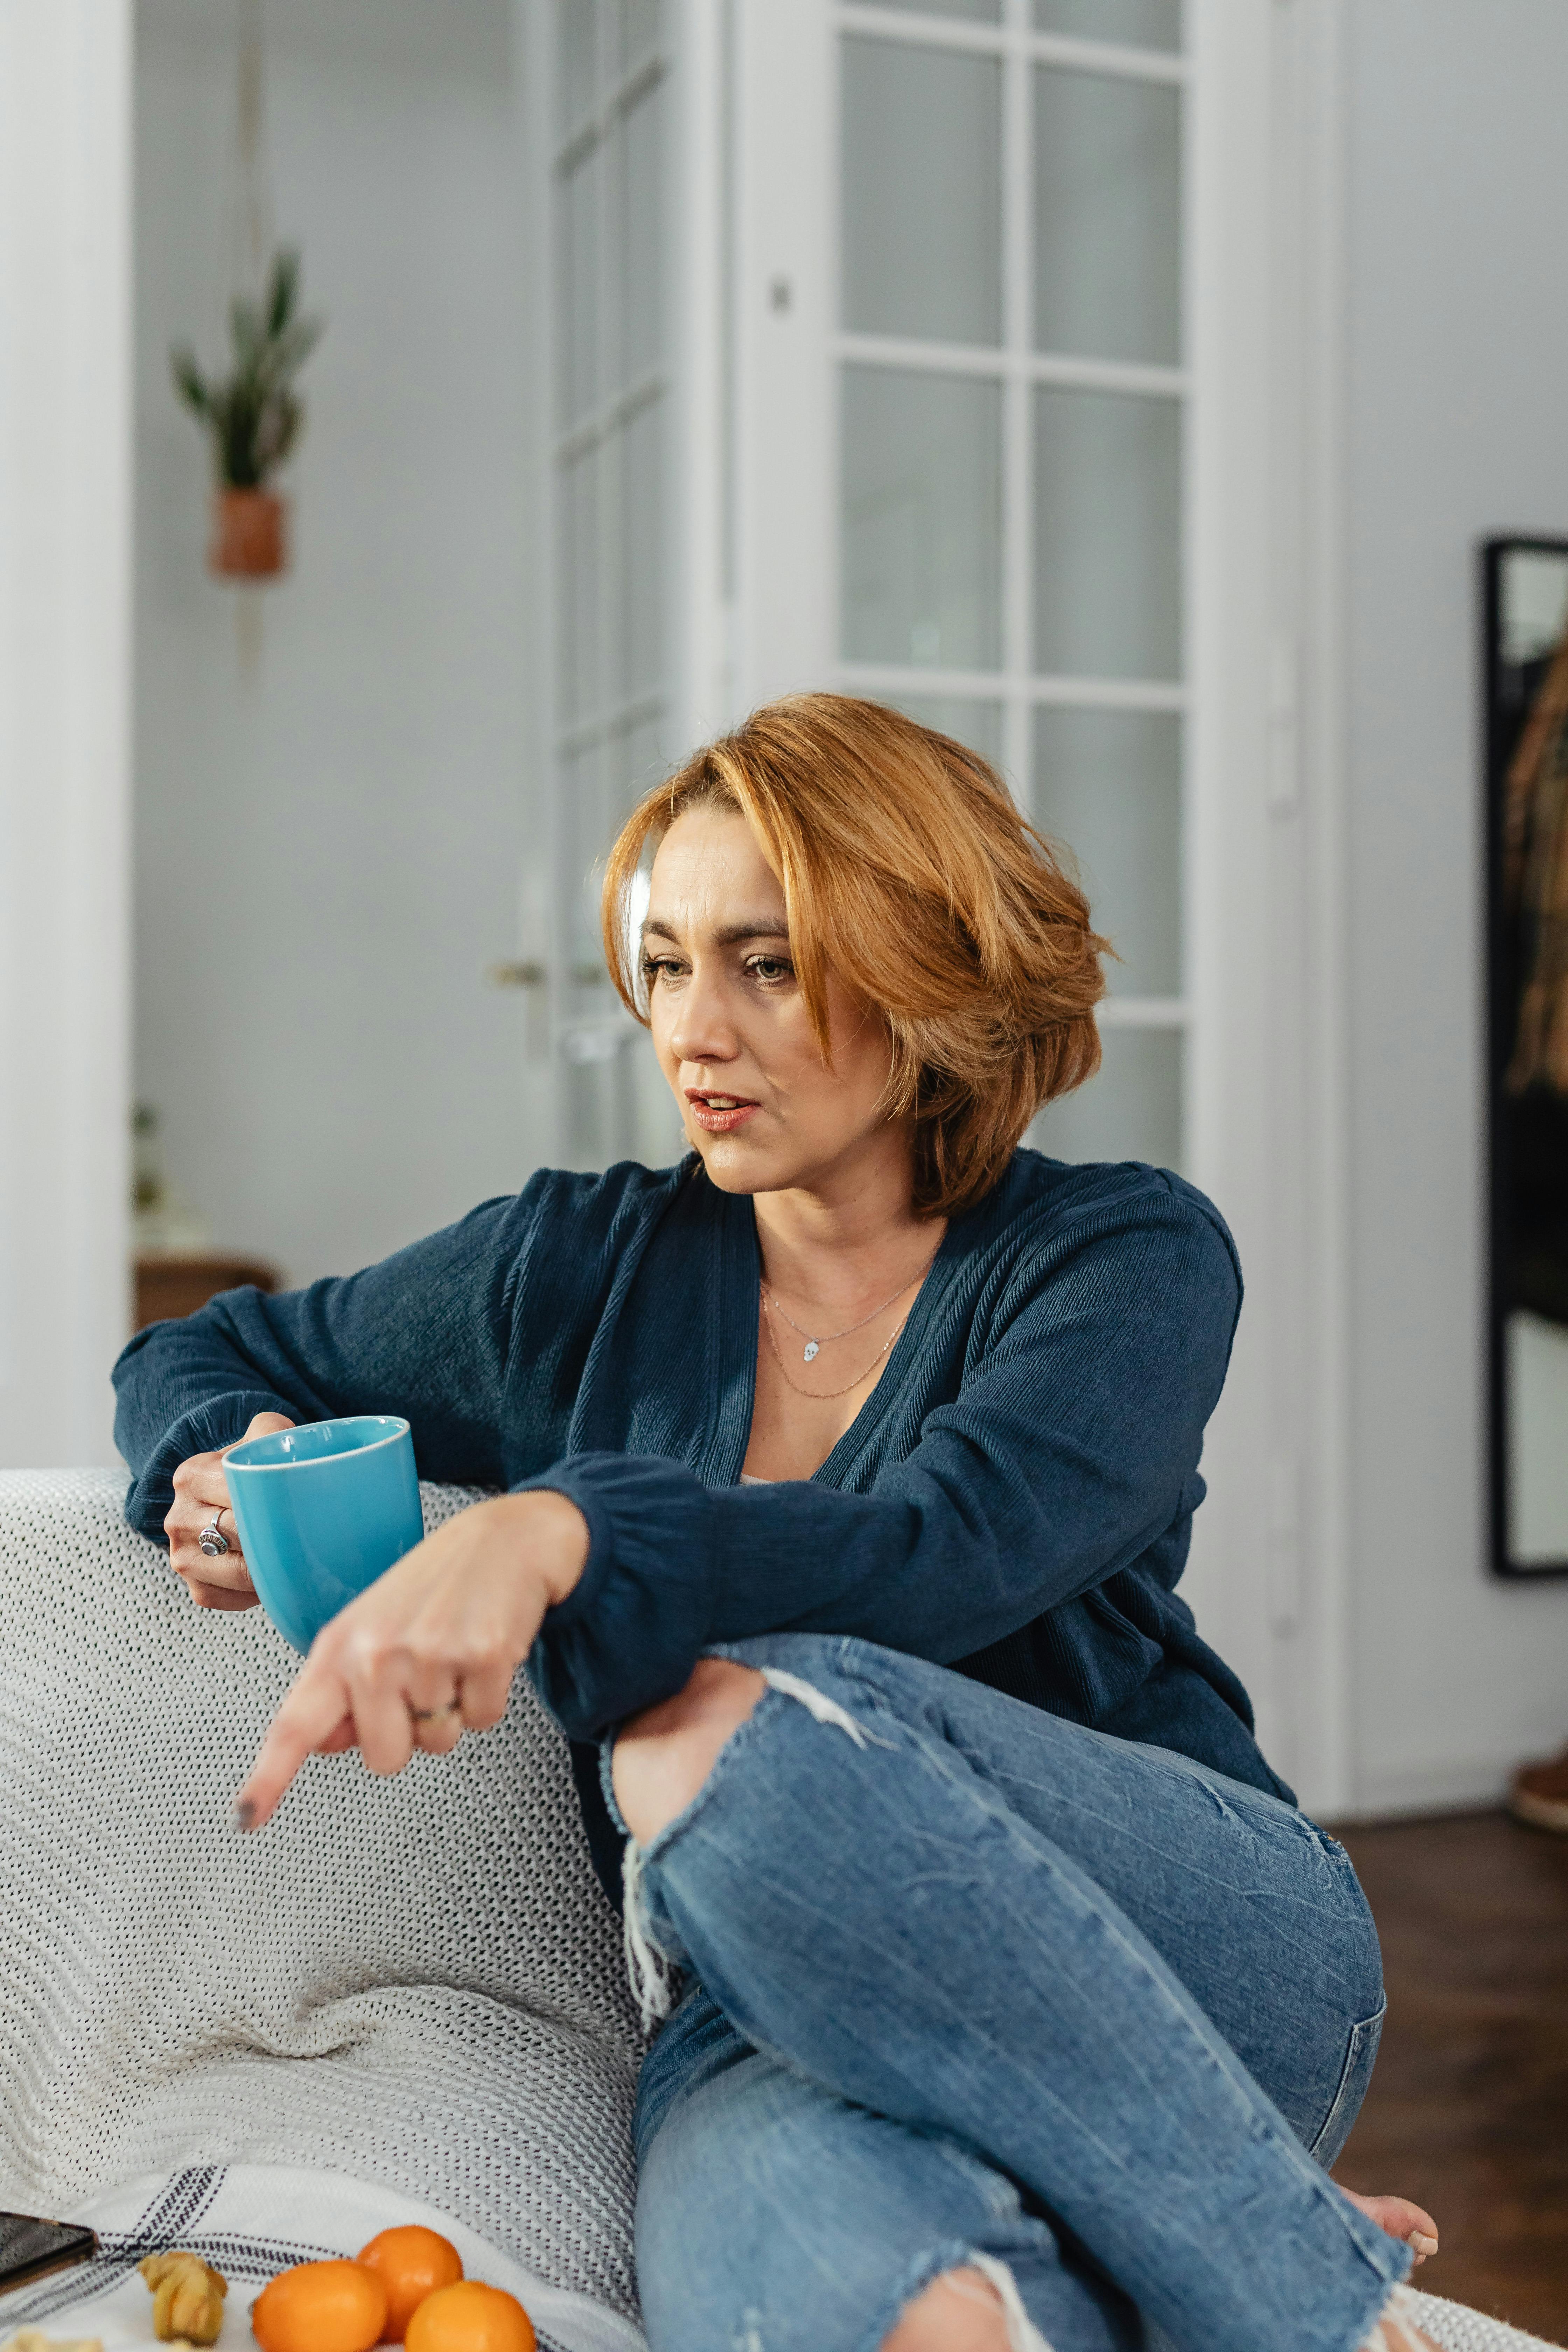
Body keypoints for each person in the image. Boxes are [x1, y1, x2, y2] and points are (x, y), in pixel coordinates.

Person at [114, 696, 1441, 2352]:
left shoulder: (1124, 1259)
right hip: (758, 2015)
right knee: (904, 2318)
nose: (693, 1032)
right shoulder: (574, 1264)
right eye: (664, 964)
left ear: (930, 971)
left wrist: (561, 1531)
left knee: (708, 1736)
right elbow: (208, 1344)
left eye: (765, 964)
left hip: (1183, 1938)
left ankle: (1291, 2291)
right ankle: (1184, 2242)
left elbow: (932, 1553)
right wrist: (213, 1455)